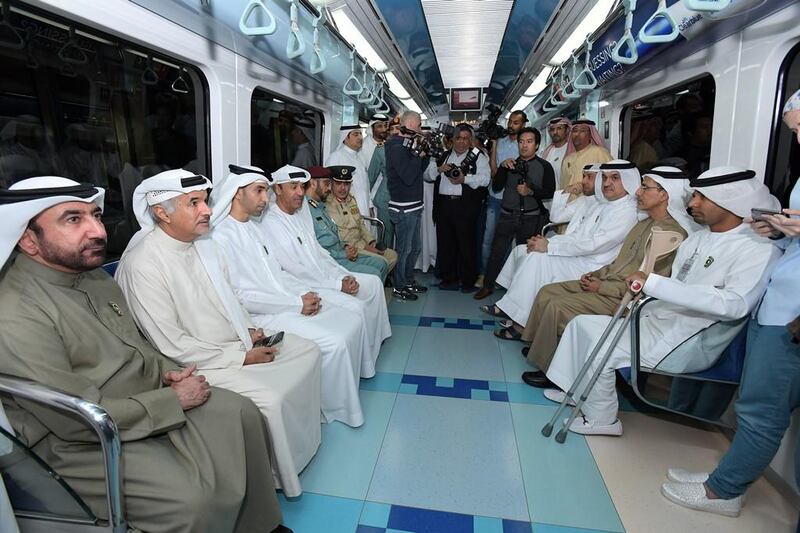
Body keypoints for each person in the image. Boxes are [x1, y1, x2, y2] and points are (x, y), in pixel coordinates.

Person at [0, 176, 291, 533]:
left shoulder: (94, 278)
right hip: (80, 439)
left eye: (95, 215)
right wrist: (172, 399)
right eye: (73, 219)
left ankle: (259, 525)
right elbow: (72, 419)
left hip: (146, 395)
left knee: (244, 413)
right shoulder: (15, 311)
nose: (97, 231)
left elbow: (138, 343)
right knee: (190, 502)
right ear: (28, 239)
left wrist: (169, 371)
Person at [115, 169, 322, 498]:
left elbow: (232, 298)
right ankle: (279, 476)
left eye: (206, 201)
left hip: (237, 342)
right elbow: (170, 345)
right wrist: (241, 357)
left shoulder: (206, 245)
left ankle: (303, 447)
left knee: (308, 351)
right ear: (160, 213)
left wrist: (249, 331)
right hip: (201, 363)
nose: (208, 210)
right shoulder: (142, 264)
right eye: (193, 203)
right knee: (271, 398)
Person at [544, 167, 782, 436]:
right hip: (659, 319)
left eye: (701, 198)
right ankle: (578, 392)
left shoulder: (758, 249)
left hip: (688, 338)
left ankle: (603, 420)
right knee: (581, 325)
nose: (692, 204)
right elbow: (677, 286)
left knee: (602, 349)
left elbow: (735, 304)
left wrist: (654, 284)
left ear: (730, 203)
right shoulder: (700, 238)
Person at [661, 90, 800, 523]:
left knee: (761, 410)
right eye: (794, 128)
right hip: (779, 305)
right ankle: (726, 476)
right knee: (755, 404)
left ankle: (723, 490)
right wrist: (783, 232)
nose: (797, 135)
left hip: (791, 319)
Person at [209, 164, 373, 428]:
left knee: (351, 320)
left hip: (285, 301)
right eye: (260, 191)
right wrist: (295, 302)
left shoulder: (252, 228)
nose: (267, 198)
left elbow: (277, 274)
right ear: (237, 194)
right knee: (336, 339)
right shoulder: (221, 237)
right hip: (261, 315)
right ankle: (335, 410)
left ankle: (341, 399)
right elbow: (241, 296)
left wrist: (301, 293)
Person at [517, 161, 692, 375]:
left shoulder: (670, 235)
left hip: (624, 299)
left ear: (665, 194)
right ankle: (541, 348)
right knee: (547, 292)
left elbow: (648, 284)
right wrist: (597, 275)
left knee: (557, 305)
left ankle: (549, 370)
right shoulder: (644, 223)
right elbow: (620, 262)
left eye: (645, 188)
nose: (638, 191)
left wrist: (602, 287)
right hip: (608, 282)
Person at [260, 165, 391, 370]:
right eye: (293, 187)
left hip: (325, 275)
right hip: (306, 285)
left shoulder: (298, 216)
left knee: (373, 283)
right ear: (277, 189)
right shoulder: (271, 223)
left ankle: (372, 350)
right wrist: (337, 284)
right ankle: (363, 362)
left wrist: (342, 274)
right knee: (356, 308)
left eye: (301, 187)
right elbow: (296, 270)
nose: (300, 192)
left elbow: (321, 254)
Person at [486, 162, 642, 328]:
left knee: (538, 260)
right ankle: (515, 308)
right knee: (530, 252)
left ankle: (520, 320)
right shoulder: (603, 203)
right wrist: (547, 243)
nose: (606, 183)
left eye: (615, 178)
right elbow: (574, 235)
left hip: (593, 266)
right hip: (579, 255)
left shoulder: (628, 212)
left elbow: (594, 245)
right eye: (604, 177)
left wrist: (549, 246)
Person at [475, 127, 556, 300]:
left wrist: (531, 191)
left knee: (525, 255)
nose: (524, 146)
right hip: (507, 214)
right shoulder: (509, 164)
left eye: (529, 142)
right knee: (496, 252)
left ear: (537, 145)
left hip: (531, 217)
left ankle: (520, 291)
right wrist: (503, 168)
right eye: (521, 142)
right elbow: (496, 187)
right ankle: (488, 285)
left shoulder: (544, 166)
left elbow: (550, 192)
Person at [426, 123, 490, 291]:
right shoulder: (442, 156)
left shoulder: (478, 157)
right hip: (444, 206)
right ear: (452, 139)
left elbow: (485, 179)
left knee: (467, 245)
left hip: (466, 207)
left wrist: (465, 179)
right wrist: (439, 169)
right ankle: (448, 278)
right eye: (458, 138)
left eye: (466, 139)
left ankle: (468, 281)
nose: (462, 142)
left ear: (471, 141)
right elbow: (427, 175)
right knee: (446, 244)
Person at [305, 165, 388, 280]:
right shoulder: (307, 210)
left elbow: (357, 225)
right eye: (326, 183)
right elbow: (318, 249)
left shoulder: (320, 206)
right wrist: (347, 251)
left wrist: (369, 241)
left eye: (346, 184)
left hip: (342, 249)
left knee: (382, 264)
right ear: (313, 183)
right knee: (375, 273)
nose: (329, 188)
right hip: (332, 259)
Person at [386, 110, 430, 301]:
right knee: (404, 250)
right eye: (418, 125)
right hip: (403, 208)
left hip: (413, 205)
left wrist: (425, 152)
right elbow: (409, 176)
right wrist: (418, 154)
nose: (420, 129)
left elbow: (421, 168)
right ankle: (399, 286)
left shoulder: (408, 144)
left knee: (415, 247)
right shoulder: (395, 147)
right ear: (410, 125)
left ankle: (409, 279)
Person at [480, 111, 527, 284]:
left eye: (516, 123)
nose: (511, 125)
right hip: (495, 196)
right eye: (510, 122)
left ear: (522, 125)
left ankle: (502, 278)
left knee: (507, 241)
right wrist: (493, 145)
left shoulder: (524, 146)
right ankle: (486, 275)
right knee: (488, 238)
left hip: (513, 200)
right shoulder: (500, 142)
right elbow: (493, 171)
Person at [326, 165, 398, 278]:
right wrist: (366, 248)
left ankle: (373, 281)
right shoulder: (330, 205)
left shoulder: (351, 200)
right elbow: (344, 237)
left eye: (346, 184)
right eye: (338, 184)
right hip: (349, 248)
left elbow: (361, 224)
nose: (342, 188)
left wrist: (371, 242)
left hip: (362, 244)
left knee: (392, 255)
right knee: (382, 261)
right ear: (331, 184)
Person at [326, 125, 372, 218]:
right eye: (355, 134)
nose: (360, 137)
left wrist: (370, 206)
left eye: (360, 134)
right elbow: (329, 186)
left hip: (364, 207)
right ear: (345, 138)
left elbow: (366, 185)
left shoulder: (361, 157)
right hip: (346, 210)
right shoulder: (336, 157)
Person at [559, 118, 612, 193]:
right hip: (570, 203)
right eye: (575, 131)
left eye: (583, 131)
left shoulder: (600, 153)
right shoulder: (567, 159)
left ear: (591, 135)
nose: (577, 134)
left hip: (592, 203)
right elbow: (562, 187)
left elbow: (610, 180)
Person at [366, 114, 394, 249]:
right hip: (382, 197)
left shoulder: (388, 147)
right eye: (379, 126)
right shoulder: (372, 148)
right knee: (386, 234)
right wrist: (368, 201)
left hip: (395, 198)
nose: (384, 129)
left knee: (393, 234)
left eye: (385, 126)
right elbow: (369, 178)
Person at [541, 117, 575, 190]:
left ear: (567, 130)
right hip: (548, 199)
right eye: (552, 129)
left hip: (565, 197)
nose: (555, 132)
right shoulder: (546, 152)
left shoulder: (573, 151)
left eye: (559, 128)